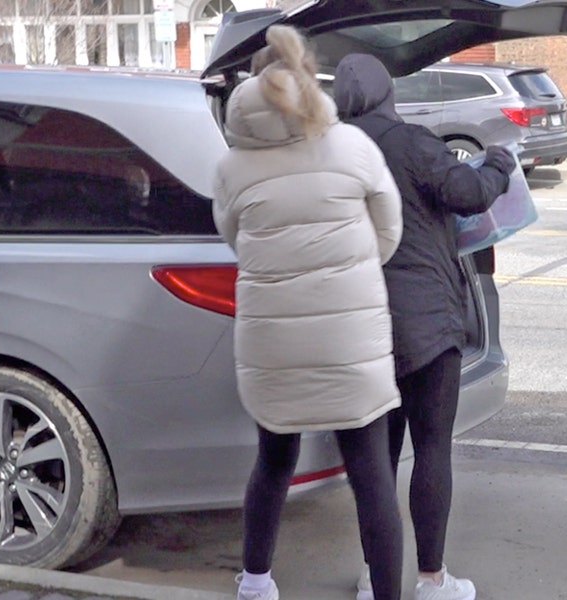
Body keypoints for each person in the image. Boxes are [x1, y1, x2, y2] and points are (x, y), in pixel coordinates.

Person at [212, 26, 405, 600]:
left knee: (273, 460)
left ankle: (255, 582)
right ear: (307, 78)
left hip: (273, 340)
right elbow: (388, 234)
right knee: (371, 475)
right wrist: (345, 271)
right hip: (350, 336)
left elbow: (234, 241)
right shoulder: (353, 147)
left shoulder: (231, 166)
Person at [333, 53, 518, 600]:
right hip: (427, 325)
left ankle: (375, 575)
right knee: (432, 447)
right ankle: (432, 580)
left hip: (357, 323)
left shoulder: (330, 153)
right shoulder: (412, 143)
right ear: (388, 93)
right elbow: (470, 193)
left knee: (377, 457)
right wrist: (500, 164)